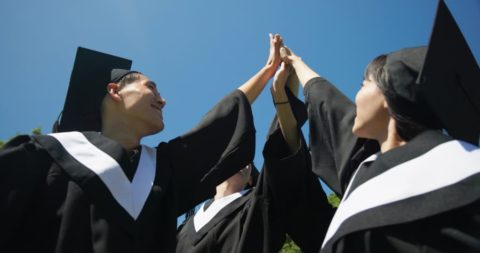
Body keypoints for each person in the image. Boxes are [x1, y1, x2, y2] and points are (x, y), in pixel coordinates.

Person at [0, 34, 284, 253]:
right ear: (114, 91)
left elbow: (218, 123)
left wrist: (269, 70)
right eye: (152, 87)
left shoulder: (161, 172)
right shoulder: (40, 155)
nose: (162, 99)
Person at [279, 1, 480, 252]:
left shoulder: (466, 172)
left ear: (390, 92)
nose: (356, 95)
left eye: (364, 84)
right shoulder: (367, 174)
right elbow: (328, 104)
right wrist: (296, 62)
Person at [176, 62, 319, 253]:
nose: (240, 162)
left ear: (251, 177)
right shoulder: (183, 227)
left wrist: (284, 93)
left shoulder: (258, 206)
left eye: (247, 162)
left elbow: (282, 150)